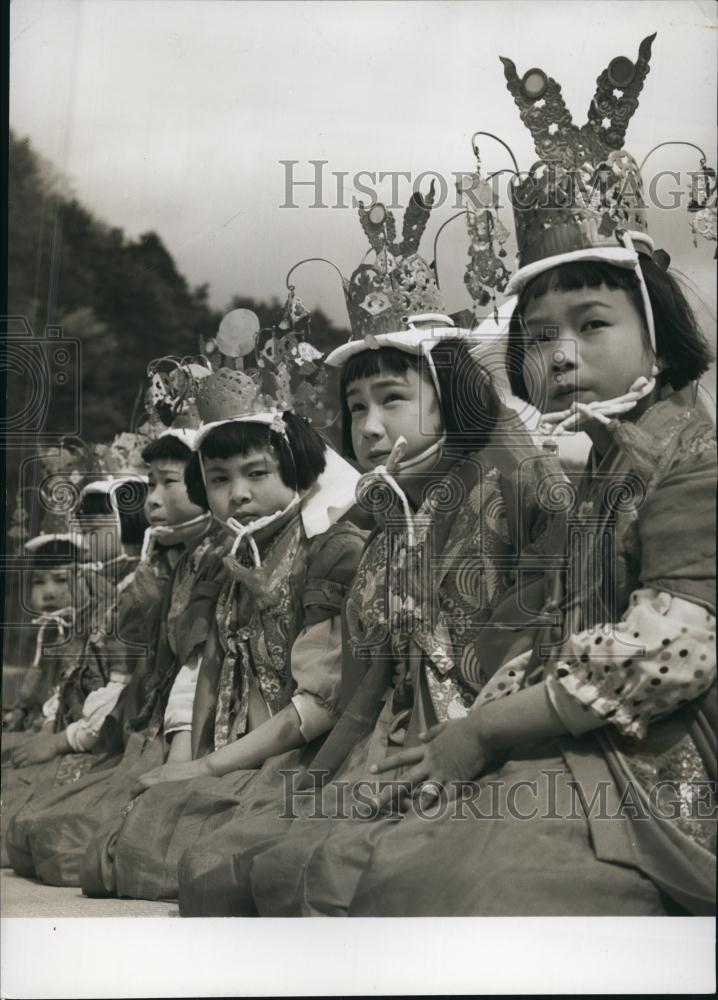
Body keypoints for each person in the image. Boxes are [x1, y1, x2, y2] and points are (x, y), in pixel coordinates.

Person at [314, 38, 716, 917]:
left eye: (592, 323)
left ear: (658, 334)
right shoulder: (611, 459)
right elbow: (552, 632)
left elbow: (669, 654)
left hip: (671, 750)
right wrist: (470, 734)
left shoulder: (695, 462)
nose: (560, 354)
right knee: (365, 865)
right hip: (588, 727)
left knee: (448, 885)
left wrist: (484, 730)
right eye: (536, 337)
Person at [176, 202, 555, 915]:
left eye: (392, 400)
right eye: (356, 408)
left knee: (349, 881)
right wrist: (315, 786)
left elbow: (531, 647)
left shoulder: (517, 486)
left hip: (488, 749)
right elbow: (364, 689)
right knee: (232, 870)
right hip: (383, 749)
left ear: (445, 402)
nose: (372, 428)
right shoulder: (383, 524)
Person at [76, 322, 366, 902]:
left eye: (256, 474)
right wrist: (194, 762)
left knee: (197, 868)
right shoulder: (230, 556)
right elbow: (206, 672)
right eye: (218, 480)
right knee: (113, 854)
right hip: (234, 752)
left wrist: (205, 771)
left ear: (298, 470)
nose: (236, 494)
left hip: (297, 752)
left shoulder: (332, 548)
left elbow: (320, 702)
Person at [4, 423, 220, 885]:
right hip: (135, 723)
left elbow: (186, 674)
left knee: (64, 845)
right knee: (35, 833)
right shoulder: (169, 566)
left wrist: (68, 740)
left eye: (168, 482)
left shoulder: (204, 565)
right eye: (149, 486)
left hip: (186, 734)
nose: (152, 501)